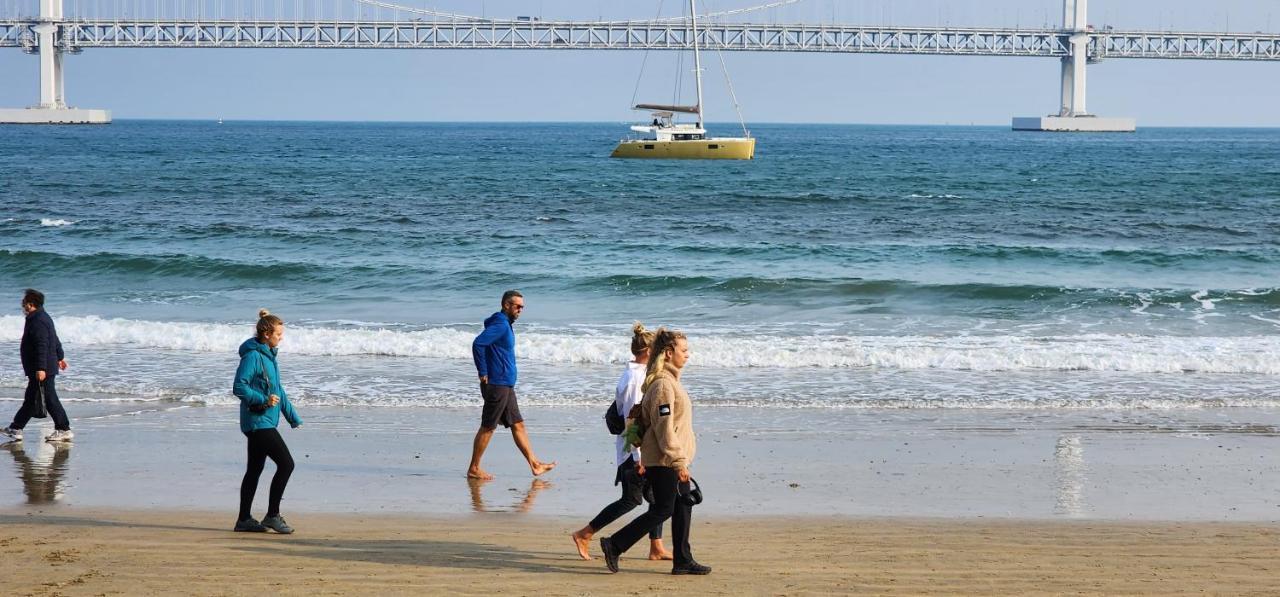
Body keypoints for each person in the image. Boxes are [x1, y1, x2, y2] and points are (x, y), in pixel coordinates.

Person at [600, 328, 710, 575]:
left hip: (669, 457)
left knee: (682, 506)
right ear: (669, 353)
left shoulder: (668, 381)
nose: (688, 355)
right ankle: (614, 544)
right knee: (664, 509)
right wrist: (679, 461)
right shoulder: (662, 385)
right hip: (664, 459)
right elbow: (664, 430)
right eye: (684, 350)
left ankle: (682, 559)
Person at [571, 323, 671, 561]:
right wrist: (638, 457)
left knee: (656, 499)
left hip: (638, 450)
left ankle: (656, 547)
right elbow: (631, 420)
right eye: (658, 348)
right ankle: (585, 533)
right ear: (648, 351)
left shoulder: (640, 375)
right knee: (631, 500)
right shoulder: (635, 379)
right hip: (634, 452)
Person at [466, 290, 556, 480]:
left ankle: (535, 465)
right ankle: (474, 468)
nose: (520, 310)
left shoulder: (503, 323)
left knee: (518, 425)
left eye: (522, 307)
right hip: (497, 384)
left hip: (506, 384)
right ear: (506, 305)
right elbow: (478, 344)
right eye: (517, 306)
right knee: (488, 427)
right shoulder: (500, 324)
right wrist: (482, 372)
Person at [232, 309, 302, 534]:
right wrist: (263, 398)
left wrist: (292, 416)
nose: (281, 337)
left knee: (254, 469)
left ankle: (243, 519)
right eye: (278, 334)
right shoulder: (253, 356)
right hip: (257, 421)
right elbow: (239, 387)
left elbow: (278, 390)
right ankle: (272, 515)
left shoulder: (270, 357)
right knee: (286, 464)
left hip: (265, 421)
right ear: (266, 335)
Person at [2, 289, 72, 443]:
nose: (23, 307)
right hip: (44, 366)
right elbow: (54, 338)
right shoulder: (42, 317)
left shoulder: (37, 320)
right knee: (30, 399)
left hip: (42, 368)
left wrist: (41, 368)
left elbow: (42, 344)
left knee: (50, 398)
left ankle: (63, 429)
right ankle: (16, 428)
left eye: (24, 303)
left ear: (30, 304)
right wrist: (60, 356)